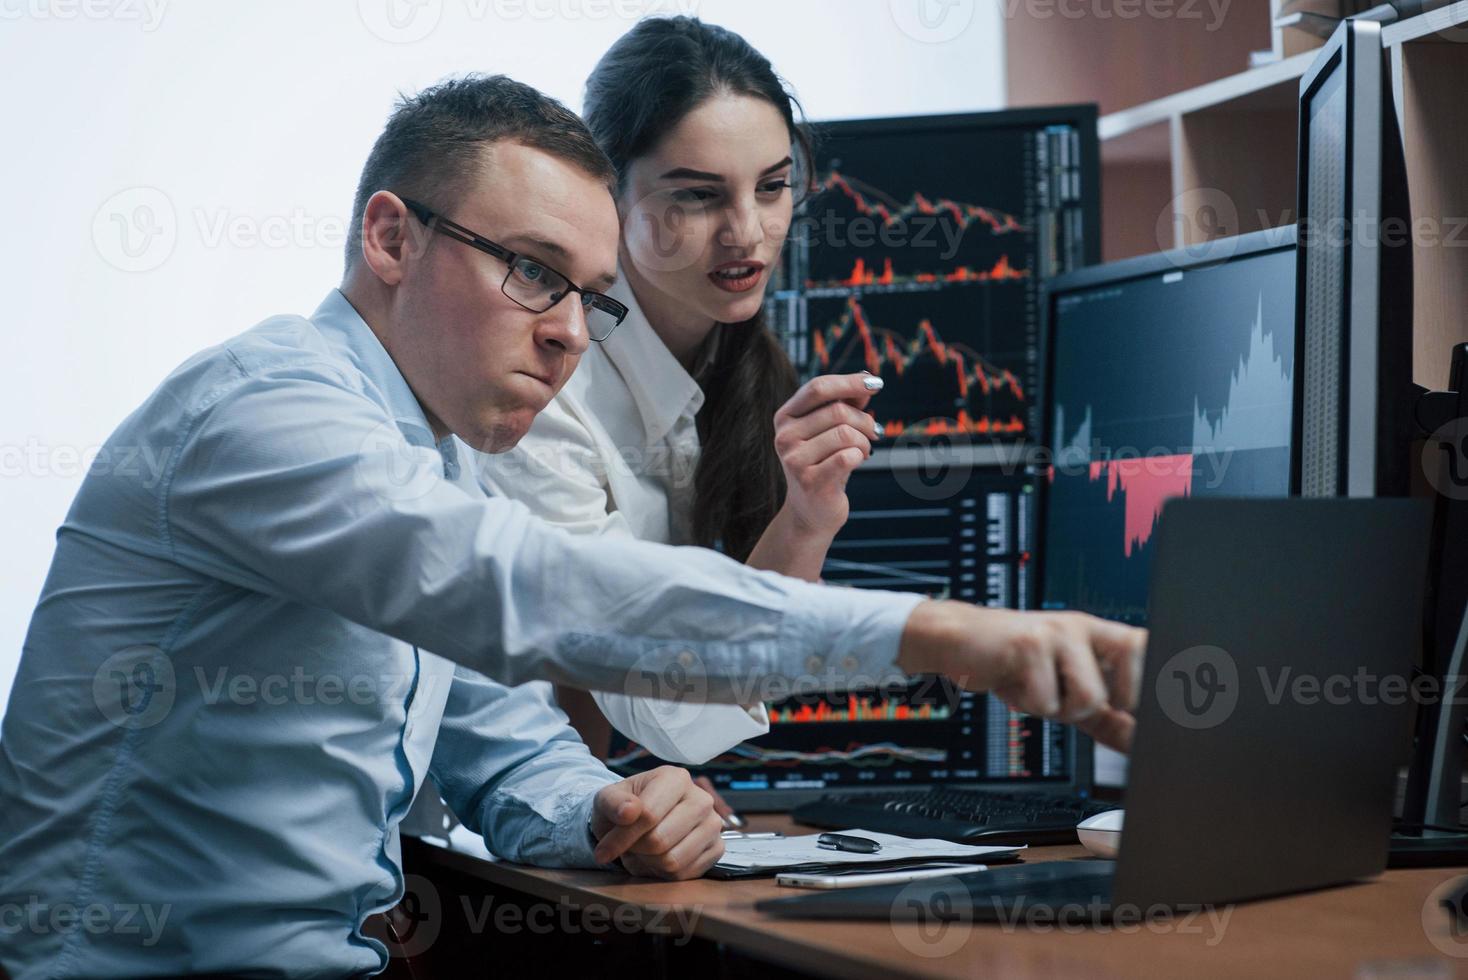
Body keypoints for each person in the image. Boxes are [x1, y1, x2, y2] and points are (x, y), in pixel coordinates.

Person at [0, 74, 1144, 979]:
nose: (567, 335)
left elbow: (500, 733)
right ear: (390, 239)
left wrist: (598, 807)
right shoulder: (267, 410)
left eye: (589, 299)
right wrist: (941, 633)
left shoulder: (432, 452)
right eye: (532, 274)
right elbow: (525, 589)